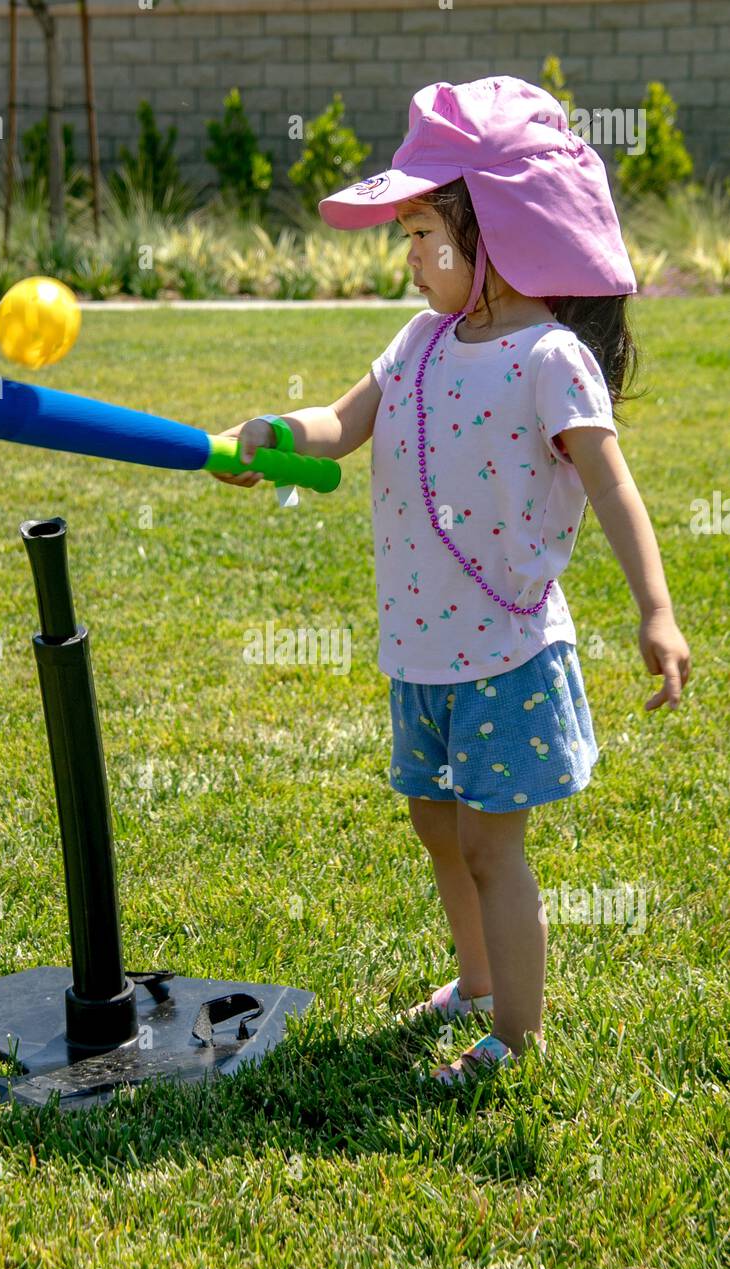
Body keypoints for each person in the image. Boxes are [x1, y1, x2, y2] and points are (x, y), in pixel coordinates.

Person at [211, 77, 691, 1086]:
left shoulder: (548, 358)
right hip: (420, 647)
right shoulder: (416, 343)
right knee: (435, 821)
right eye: (407, 236)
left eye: (423, 230)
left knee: (487, 843)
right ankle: (473, 982)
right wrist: (275, 433)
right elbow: (341, 427)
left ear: (500, 232)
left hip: (506, 651)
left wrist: (653, 609)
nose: (410, 254)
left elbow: (611, 487)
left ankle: (513, 1036)